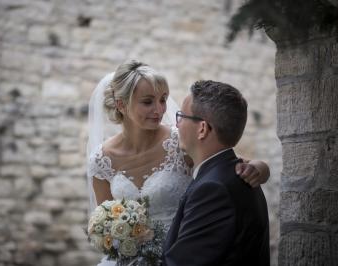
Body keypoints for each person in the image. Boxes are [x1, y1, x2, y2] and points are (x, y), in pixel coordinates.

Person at [86, 60, 270, 266]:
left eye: (163, 100)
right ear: (121, 104)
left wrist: (260, 169)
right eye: (148, 102)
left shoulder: (181, 141)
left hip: (181, 253)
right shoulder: (102, 159)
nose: (159, 110)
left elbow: (226, 167)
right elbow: (107, 227)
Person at [162, 80, 270, 266]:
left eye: (182, 116)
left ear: (202, 128)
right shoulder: (239, 174)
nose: (177, 124)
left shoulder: (213, 189)